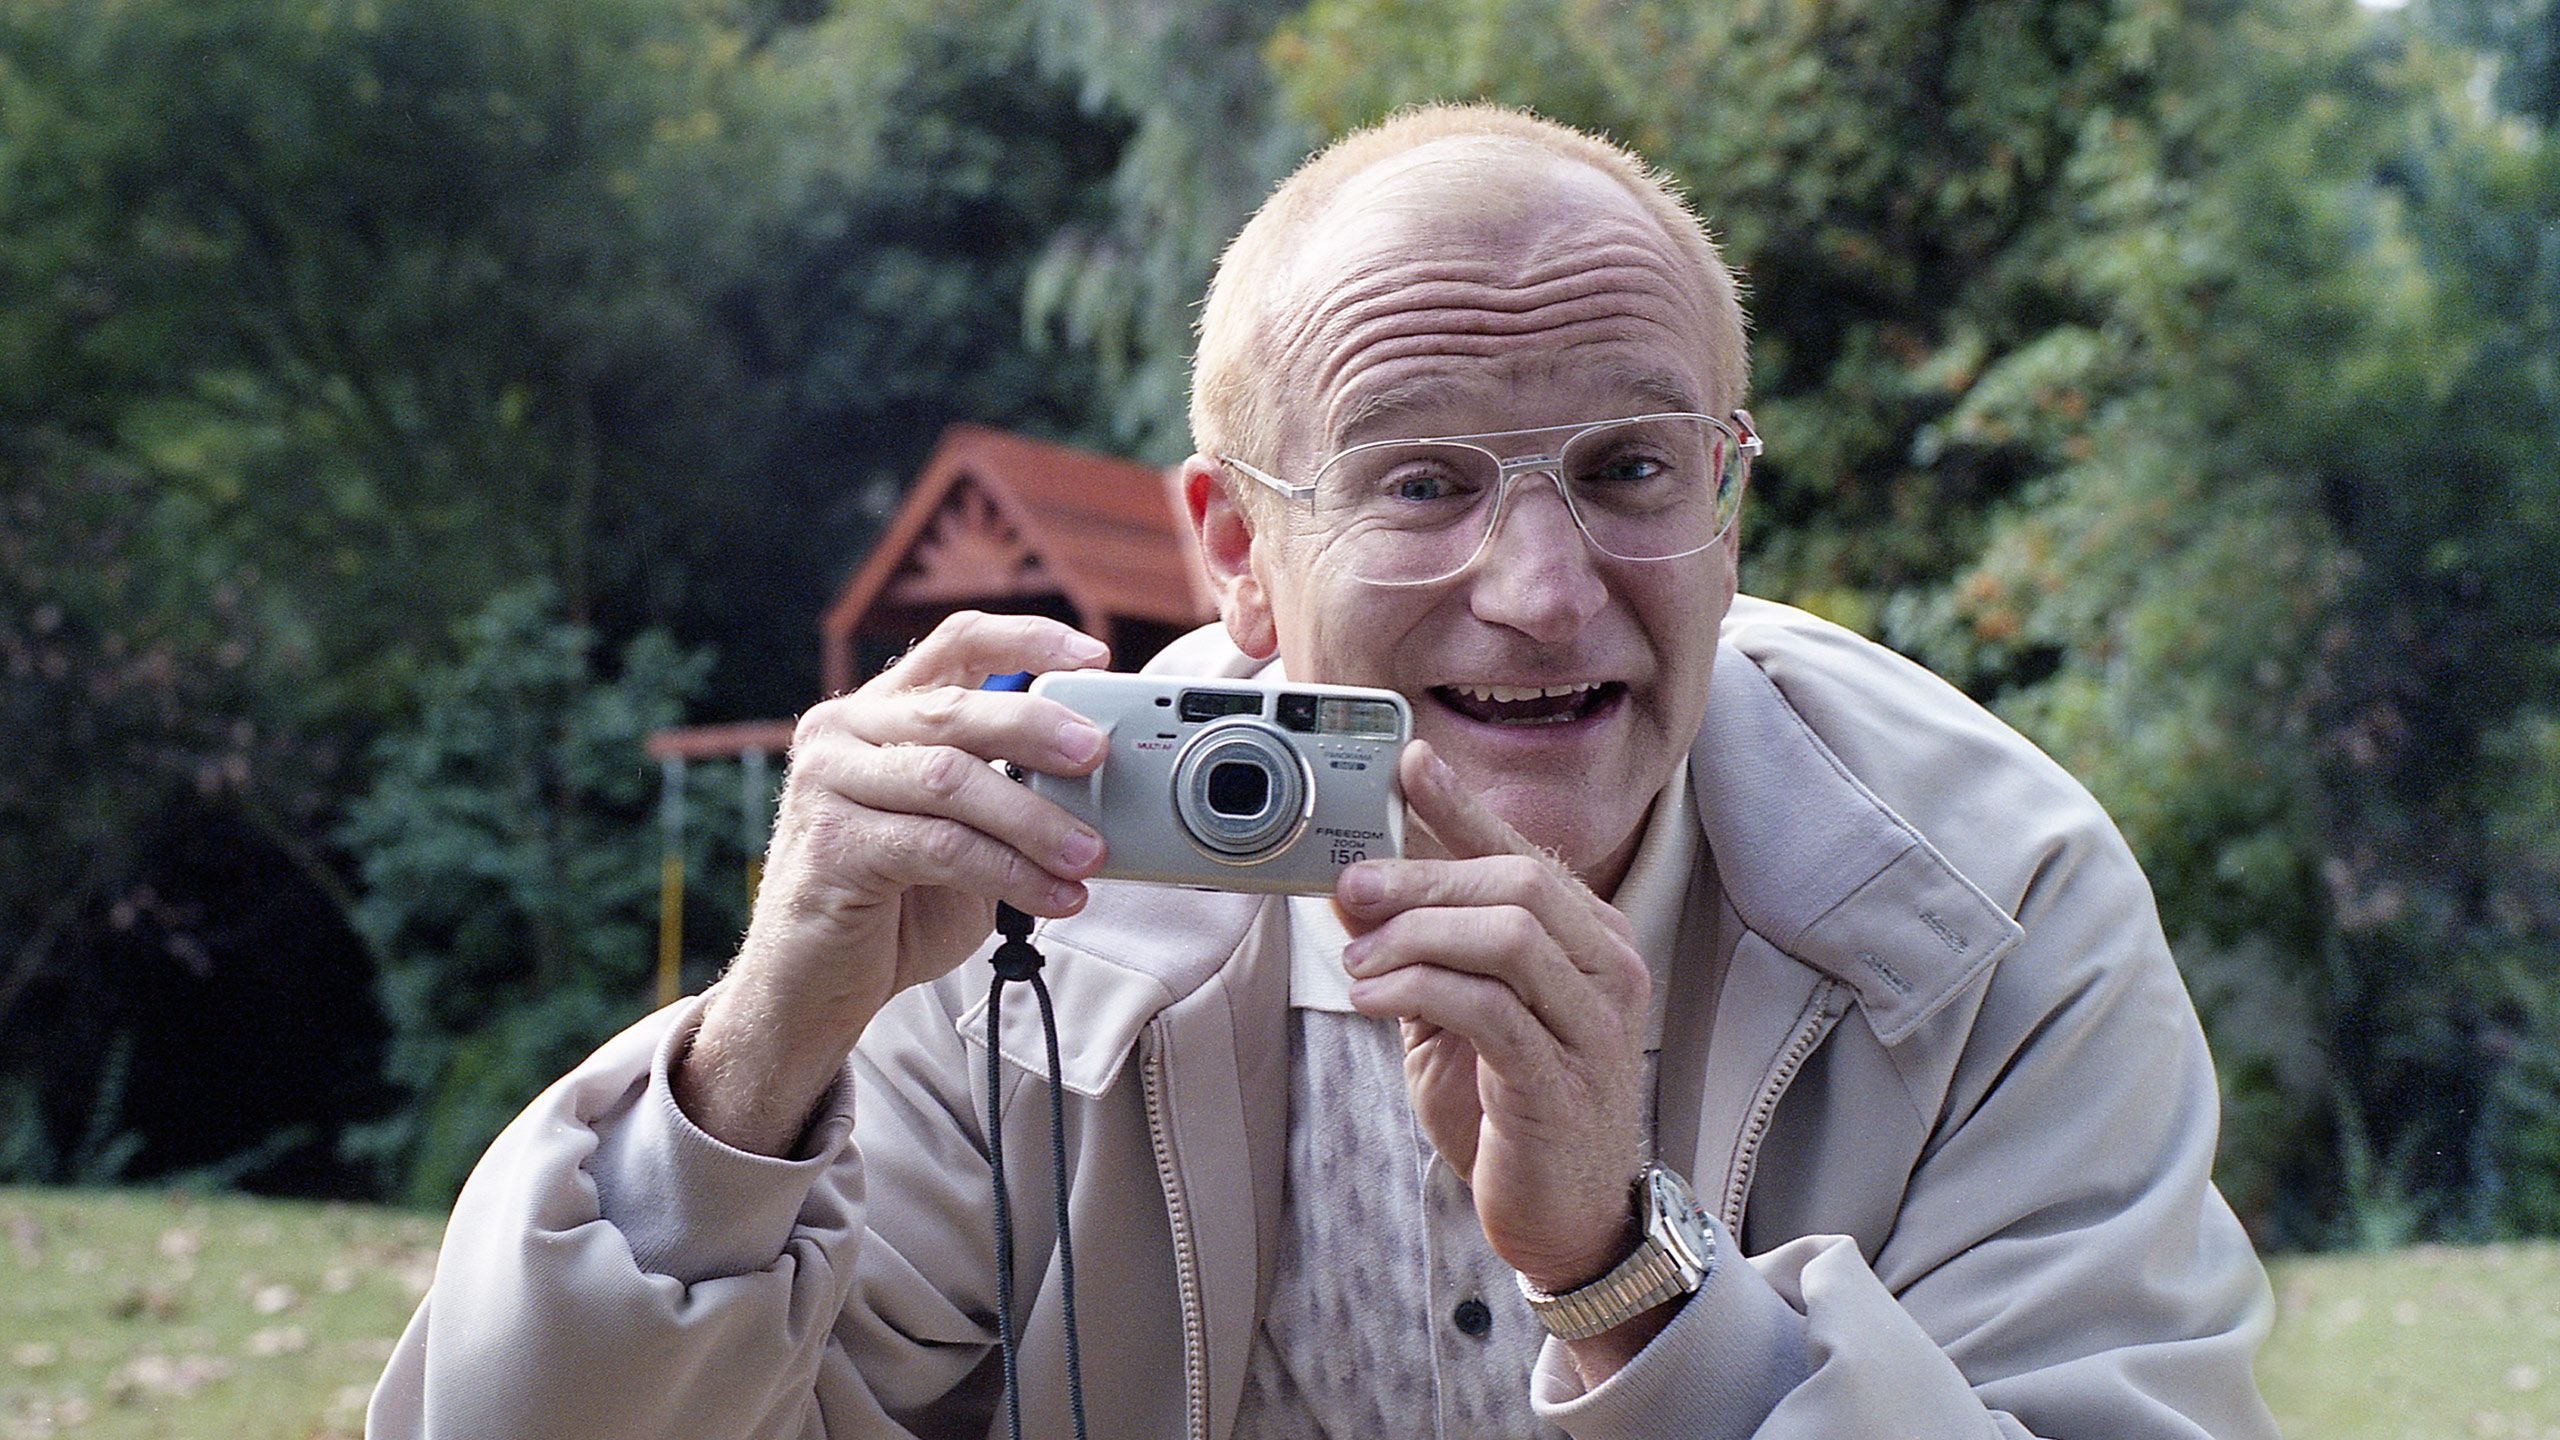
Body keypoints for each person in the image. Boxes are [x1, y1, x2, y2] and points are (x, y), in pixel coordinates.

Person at [371, 103, 2279, 1439]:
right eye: (1424, 482)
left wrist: (1629, 1278)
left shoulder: (1987, 899)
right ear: (1234, 555)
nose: (1542, 599)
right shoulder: (1025, 883)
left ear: (1726, 497)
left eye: (1629, 471)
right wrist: (755, 1060)